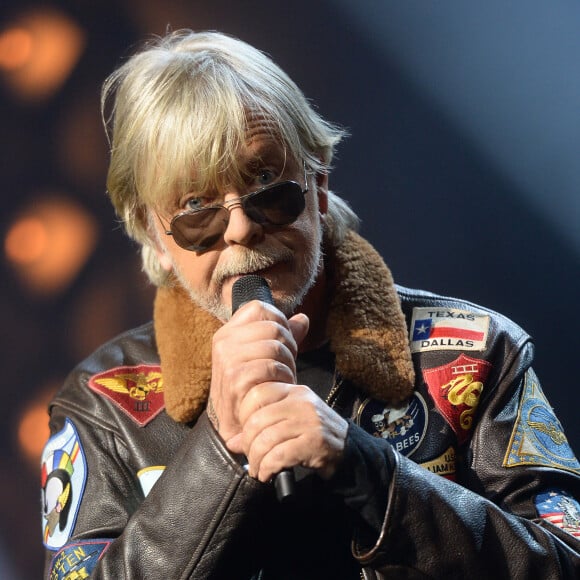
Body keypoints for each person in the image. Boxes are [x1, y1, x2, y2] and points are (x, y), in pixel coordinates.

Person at [41, 29, 580, 579]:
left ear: (318, 181)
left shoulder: (479, 353)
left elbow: (567, 563)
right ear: (153, 233)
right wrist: (221, 451)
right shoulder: (104, 403)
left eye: (267, 180)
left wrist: (368, 470)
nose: (242, 227)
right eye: (197, 204)